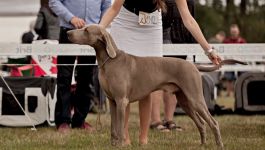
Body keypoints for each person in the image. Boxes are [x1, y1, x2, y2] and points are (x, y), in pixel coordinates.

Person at [99, 0, 222, 145]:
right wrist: (98, 30)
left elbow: (188, 19)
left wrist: (208, 50)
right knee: (123, 85)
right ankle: (124, 138)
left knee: (147, 82)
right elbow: (114, 9)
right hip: (125, 21)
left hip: (151, 25)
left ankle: (143, 138)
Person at [49, 0, 111, 133]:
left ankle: (80, 120)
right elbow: (53, 2)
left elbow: (107, 7)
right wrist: (71, 18)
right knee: (64, 77)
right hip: (68, 31)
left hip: (91, 36)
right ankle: (63, 121)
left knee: (86, 77)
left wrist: (100, 26)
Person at [149, 0, 195, 132]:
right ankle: (155, 121)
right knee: (156, 81)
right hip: (158, 34)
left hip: (180, 38)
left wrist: (191, 42)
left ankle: (169, 119)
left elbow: (191, 16)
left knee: (174, 81)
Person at [222, 24, 246, 96]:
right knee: (229, 74)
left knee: (242, 73)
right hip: (230, 61)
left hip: (240, 62)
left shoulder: (242, 41)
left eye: (235, 31)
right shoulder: (226, 41)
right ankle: (229, 92)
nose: (234, 33)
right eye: (232, 32)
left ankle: (241, 91)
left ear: (238, 32)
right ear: (230, 32)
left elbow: (245, 54)